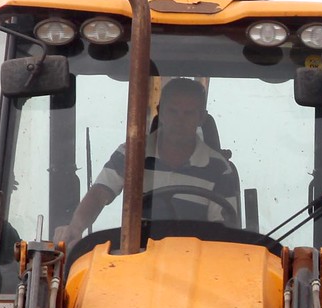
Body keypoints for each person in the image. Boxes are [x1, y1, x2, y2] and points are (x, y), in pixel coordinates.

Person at [63, 78, 241, 241]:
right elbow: (99, 193)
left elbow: (222, 233)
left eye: (188, 113)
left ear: (201, 118)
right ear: (160, 112)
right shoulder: (131, 154)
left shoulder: (219, 169)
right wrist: (75, 227)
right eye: (172, 111)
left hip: (196, 265)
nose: (179, 121)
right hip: (137, 258)